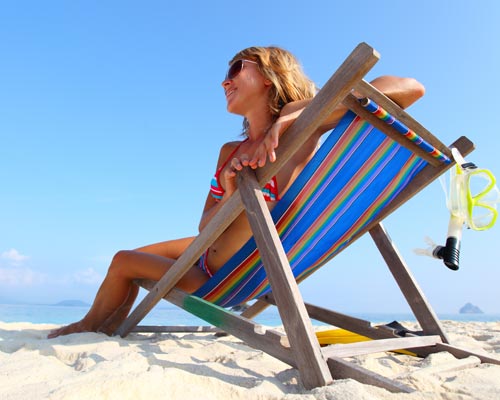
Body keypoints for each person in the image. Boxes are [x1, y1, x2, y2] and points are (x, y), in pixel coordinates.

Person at [48, 46, 425, 338]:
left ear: (269, 76)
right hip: (206, 251)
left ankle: (88, 325)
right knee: (133, 257)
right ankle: (107, 323)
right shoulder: (229, 152)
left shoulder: (302, 133)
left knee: (123, 261)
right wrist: (230, 195)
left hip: (227, 278)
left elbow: (409, 88)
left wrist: (292, 117)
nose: (224, 82)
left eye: (235, 70)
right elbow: (204, 224)